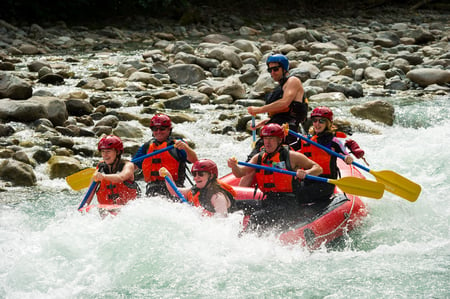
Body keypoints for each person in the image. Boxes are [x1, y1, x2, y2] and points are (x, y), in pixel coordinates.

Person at [227, 123, 322, 233]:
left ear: (279, 140)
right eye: (265, 139)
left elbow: (318, 168)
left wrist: (306, 172)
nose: (267, 142)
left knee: (256, 217)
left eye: (271, 139)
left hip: (288, 203)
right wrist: (233, 166)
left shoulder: (292, 156)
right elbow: (240, 173)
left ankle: (243, 241)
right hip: (268, 200)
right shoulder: (258, 157)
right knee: (233, 205)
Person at [247, 53, 309, 154]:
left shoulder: (293, 81)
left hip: (289, 129)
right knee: (260, 150)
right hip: (278, 127)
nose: (272, 73)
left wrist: (258, 110)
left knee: (260, 150)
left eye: (275, 69)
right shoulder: (278, 88)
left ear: (284, 69)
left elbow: (285, 103)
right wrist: (265, 122)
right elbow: (282, 113)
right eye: (270, 70)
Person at [133, 113, 198, 197]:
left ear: (169, 130)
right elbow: (133, 166)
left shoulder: (177, 144)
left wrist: (185, 147)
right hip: (152, 190)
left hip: (175, 189)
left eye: (162, 129)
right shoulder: (147, 146)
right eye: (155, 129)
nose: (158, 132)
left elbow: (195, 160)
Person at [300, 106, 354, 190]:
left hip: (326, 182)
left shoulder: (333, 141)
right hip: (308, 177)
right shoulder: (307, 139)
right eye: (315, 120)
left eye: (321, 121)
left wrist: (348, 158)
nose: (317, 124)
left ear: (328, 123)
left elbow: (345, 155)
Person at [159, 159, 236, 217]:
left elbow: (222, 222)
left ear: (211, 176)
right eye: (194, 174)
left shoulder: (217, 197)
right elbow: (175, 192)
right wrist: (167, 176)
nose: (196, 177)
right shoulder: (196, 190)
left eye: (201, 174)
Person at [93, 135, 140, 206]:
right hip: (106, 210)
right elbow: (91, 190)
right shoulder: (100, 167)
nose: (105, 155)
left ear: (117, 152)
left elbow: (121, 177)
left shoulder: (128, 165)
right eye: (103, 151)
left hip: (129, 209)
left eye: (108, 151)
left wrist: (103, 176)